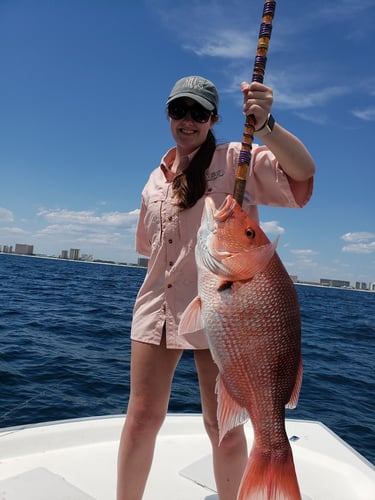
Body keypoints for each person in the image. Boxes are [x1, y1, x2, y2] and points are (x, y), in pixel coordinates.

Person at [117, 75, 315, 500]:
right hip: (158, 307)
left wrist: (266, 127)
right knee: (141, 418)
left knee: (221, 426)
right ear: (169, 114)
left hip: (226, 311)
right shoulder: (154, 180)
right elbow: (147, 248)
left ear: (213, 119)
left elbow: (301, 177)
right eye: (179, 111)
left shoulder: (237, 158)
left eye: (199, 113)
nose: (188, 121)